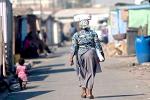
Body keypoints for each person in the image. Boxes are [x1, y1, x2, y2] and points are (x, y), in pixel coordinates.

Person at [69, 18, 103, 99]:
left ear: (80, 26)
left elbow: (74, 47)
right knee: (90, 72)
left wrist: (71, 58)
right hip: (91, 53)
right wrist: (101, 54)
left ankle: (84, 92)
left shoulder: (76, 35)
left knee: (81, 72)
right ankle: (89, 93)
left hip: (79, 55)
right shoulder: (93, 33)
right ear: (88, 25)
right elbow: (98, 45)